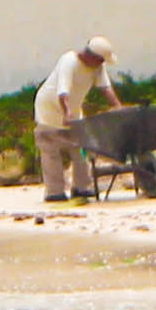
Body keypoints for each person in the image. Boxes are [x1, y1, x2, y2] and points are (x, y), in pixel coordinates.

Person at [32, 36, 116, 200]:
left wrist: (117, 106)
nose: (101, 64)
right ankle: (54, 192)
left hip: (73, 110)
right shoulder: (69, 61)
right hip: (49, 110)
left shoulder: (97, 67)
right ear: (91, 57)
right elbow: (63, 91)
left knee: (80, 149)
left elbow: (106, 88)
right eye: (100, 60)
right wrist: (67, 112)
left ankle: (82, 187)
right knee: (51, 152)